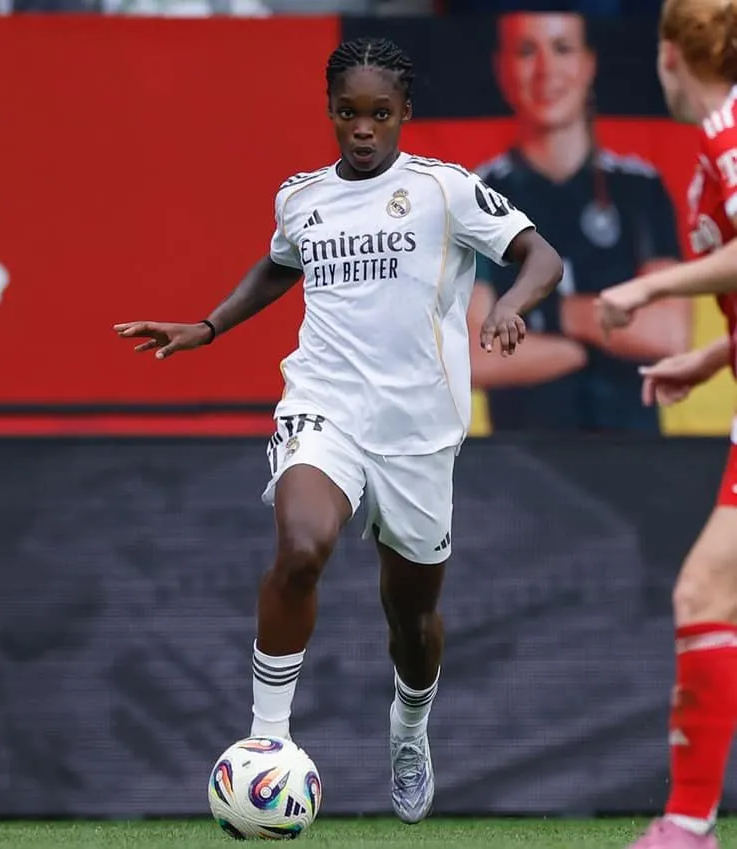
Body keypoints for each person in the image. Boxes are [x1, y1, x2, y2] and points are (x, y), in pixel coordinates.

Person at [114, 36, 563, 823]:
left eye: (379, 114)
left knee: (412, 619)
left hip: (421, 432)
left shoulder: (445, 190)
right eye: (348, 113)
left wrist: (511, 304)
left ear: (405, 115)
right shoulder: (301, 196)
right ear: (329, 112)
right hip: (325, 406)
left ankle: (410, 726)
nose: (362, 129)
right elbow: (282, 262)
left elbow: (540, 255)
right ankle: (266, 746)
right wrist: (208, 326)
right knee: (300, 547)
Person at [597, 0, 737, 845]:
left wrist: (652, 287)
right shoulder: (721, 135)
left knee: (702, 589)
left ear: (671, 55)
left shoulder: (728, 134)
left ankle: (686, 823)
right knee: (709, 591)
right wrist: (712, 358)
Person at [469, 11, 688, 433]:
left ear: (589, 64)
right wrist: (600, 341)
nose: (545, 70)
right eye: (526, 51)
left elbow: (669, 335)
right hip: (521, 472)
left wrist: (546, 317)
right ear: (502, 68)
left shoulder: (640, 188)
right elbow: (473, 356)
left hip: (638, 465)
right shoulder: (476, 200)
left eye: (563, 48)